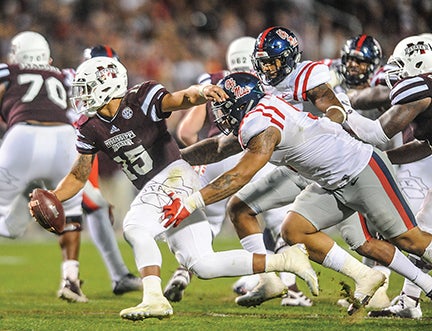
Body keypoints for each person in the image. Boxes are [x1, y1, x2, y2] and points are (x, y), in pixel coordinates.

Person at [36, 56, 319, 320]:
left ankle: (154, 297)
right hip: (155, 186)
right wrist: (53, 197)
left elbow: (179, 99)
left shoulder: (141, 98)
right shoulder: (89, 125)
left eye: (87, 88)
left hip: (173, 175)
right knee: (203, 265)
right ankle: (285, 260)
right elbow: (78, 174)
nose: (82, 96)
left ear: (108, 85)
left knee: (135, 227)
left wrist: (200, 92)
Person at [161, 72, 432, 315]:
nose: (221, 115)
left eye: (225, 107)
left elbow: (239, 175)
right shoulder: (258, 114)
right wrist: (177, 158)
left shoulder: (261, 124)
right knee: (294, 230)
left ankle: (422, 287)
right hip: (330, 182)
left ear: (242, 103)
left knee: (409, 240)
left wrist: (190, 203)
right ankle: (411, 282)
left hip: (361, 169)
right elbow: (219, 147)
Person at [165, 36, 312, 307]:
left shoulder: (214, 79)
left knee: (207, 223)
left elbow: (186, 131)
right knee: (277, 220)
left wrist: (195, 157)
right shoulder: (271, 79)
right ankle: (291, 289)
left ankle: (183, 271)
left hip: (215, 153)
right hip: (258, 150)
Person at [343, 34, 432, 319]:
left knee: (419, 235)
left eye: (401, 66)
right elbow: (426, 146)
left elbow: (376, 132)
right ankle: (409, 301)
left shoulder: (421, 87)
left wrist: (341, 111)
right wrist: (385, 158)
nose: (395, 75)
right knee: (423, 234)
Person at [0, 31, 88, 302]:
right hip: (65, 138)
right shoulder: (65, 74)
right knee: (71, 212)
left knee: (4, 219)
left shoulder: (8, 70)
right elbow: (80, 111)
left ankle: (25, 204)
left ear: (16, 54)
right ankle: (70, 280)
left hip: (22, 137)